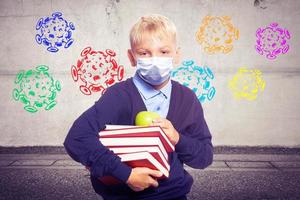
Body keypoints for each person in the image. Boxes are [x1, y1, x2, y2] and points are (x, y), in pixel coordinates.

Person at [64, 14, 213, 200]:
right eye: (144, 53)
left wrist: (177, 138)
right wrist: (125, 174)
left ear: (177, 55)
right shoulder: (118, 96)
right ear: (132, 57)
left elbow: (204, 157)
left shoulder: (187, 99)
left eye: (164, 52)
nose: (155, 59)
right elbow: (77, 138)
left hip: (174, 194)